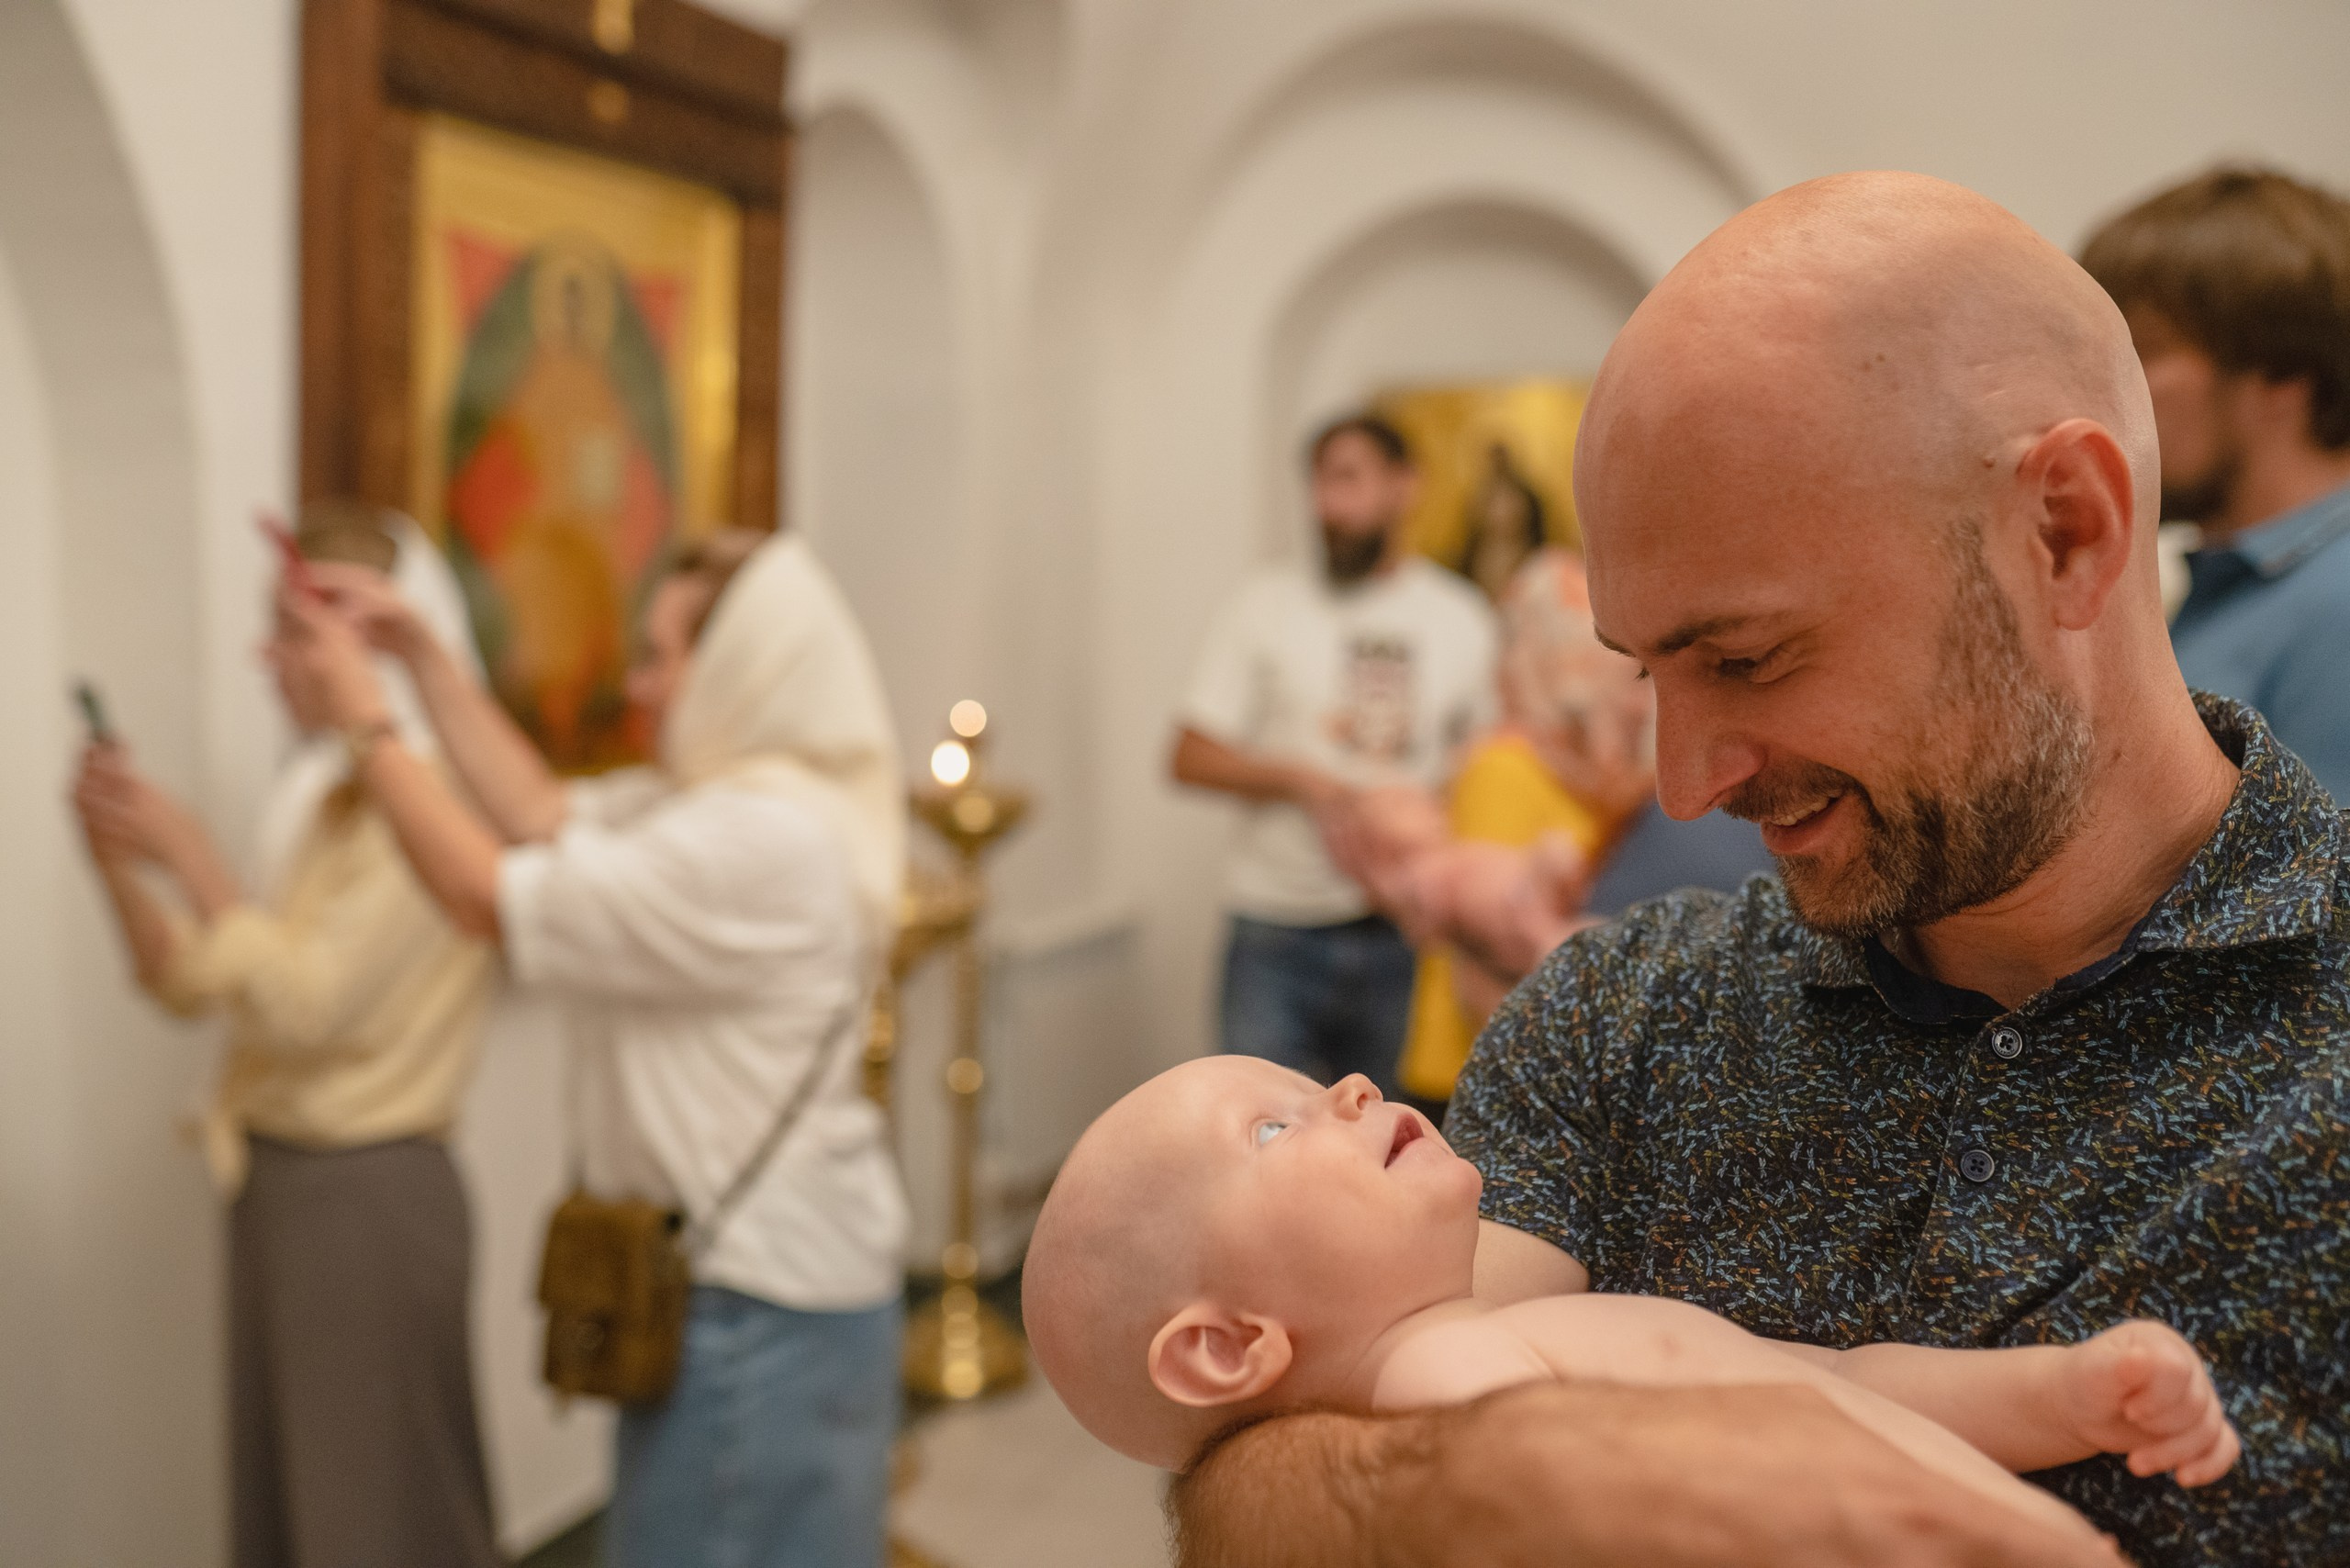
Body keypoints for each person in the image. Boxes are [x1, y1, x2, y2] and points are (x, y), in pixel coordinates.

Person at [1169, 172, 2350, 1568]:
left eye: (1746, 658)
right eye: (1649, 673)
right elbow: (1264, 1457)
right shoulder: (1623, 1018)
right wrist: (1506, 1481)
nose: (1684, 785)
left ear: (2068, 534)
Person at [279, 529, 910, 1568]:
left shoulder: (760, 841)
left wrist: (364, 722)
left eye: (664, 656)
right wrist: (425, 652)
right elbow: (537, 812)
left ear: (747, 667)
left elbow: (485, 893)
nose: (640, 684)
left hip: (755, 1310)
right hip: (752, 1287)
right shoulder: (728, 801)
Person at [1024, 1057, 2238, 1534]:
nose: (1346, 1085)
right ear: (1227, 1348)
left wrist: (2063, 1393)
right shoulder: (1451, 1400)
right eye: (1273, 1126)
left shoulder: (1513, 1341)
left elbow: (1847, 1384)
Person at [70, 502, 501, 1568]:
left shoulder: (430, 804)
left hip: (367, 1196)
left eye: (296, 631)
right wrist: (121, 860)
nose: (269, 656)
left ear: (375, 645)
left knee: (380, 1528)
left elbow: (306, 1008)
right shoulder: (320, 799)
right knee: (296, 1519)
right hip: (286, 1183)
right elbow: (199, 984)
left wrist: (199, 860)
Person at [1172, 413, 1498, 1096]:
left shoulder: (1460, 617)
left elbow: (1488, 767)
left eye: (1349, 480)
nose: (1329, 505)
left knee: (1393, 1151)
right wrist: (1299, 779)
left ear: (1405, 487)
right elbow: (1189, 756)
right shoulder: (1262, 606)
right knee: (1258, 1138)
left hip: (1408, 938)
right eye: (1320, 483)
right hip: (1276, 930)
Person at [2079, 165, 2350, 802]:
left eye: (2140, 351)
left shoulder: (2338, 604)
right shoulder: (2230, 590)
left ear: (2281, 370)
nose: (2098, 392)